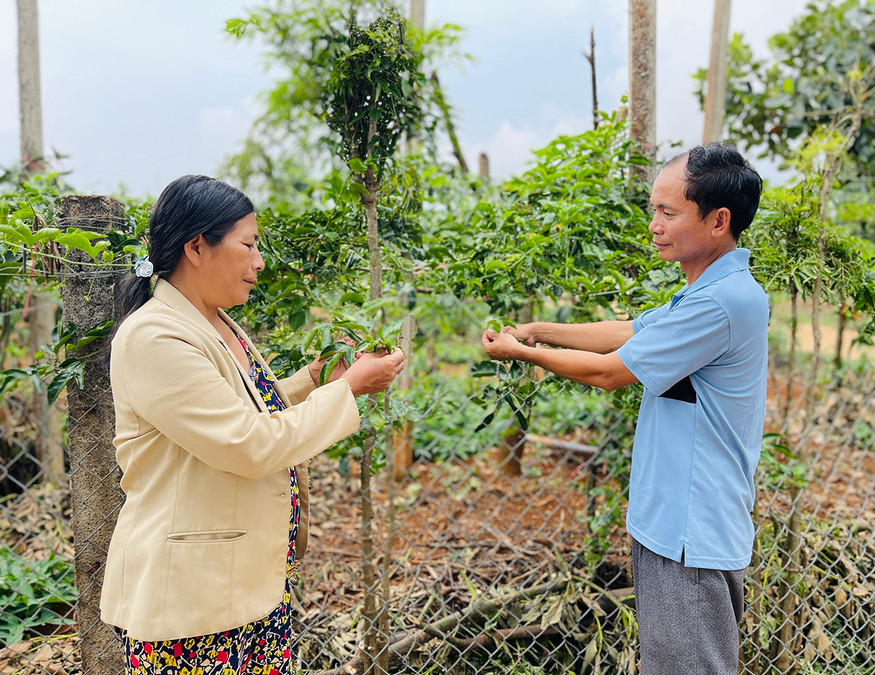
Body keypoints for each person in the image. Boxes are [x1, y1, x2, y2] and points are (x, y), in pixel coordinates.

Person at [100, 175, 405, 674]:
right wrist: (348, 390)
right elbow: (247, 443)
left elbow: (245, 409)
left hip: (241, 585)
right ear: (196, 247)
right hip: (194, 605)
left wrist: (313, 379)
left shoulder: (214, 322)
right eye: (248, 245)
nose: (259, 261)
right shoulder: (156, 337)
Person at [481, 143, 767, 674]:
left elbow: (613, 371)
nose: (654, 225)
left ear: (718, 221)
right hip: (674, 524)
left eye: (668, 212)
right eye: (652, 210)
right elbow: (628, 331)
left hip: (691, 535)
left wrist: (522, 353)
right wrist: (536, 330)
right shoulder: (706, 291)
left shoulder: (722, 302)